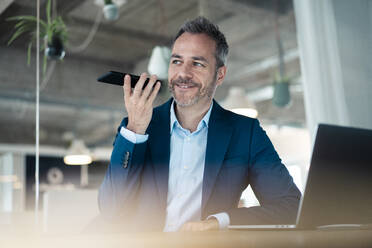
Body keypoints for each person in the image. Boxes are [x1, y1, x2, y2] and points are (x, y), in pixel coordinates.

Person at [98, 16, 301, 232]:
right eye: (177, 61)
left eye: (197, 63)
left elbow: (291, 206)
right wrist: (136, 130)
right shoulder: (137, 127)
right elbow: (111, 210)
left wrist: (219, 221)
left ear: (220, 74)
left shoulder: (245, 133)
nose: (183, 73)